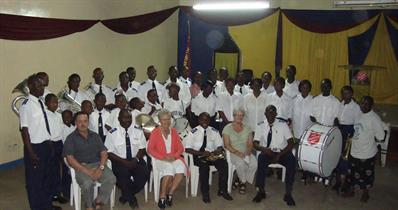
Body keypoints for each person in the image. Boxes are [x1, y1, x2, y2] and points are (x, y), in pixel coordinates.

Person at [19, 74, 62, 210]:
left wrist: (49, 142)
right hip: (35, 148)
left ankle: (47, 205)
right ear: (30, 87)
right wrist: (31, 152)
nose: (42, 88)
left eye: (42, 85)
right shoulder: (26, 106)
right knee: (34, 181)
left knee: (45, 178)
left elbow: (43, 125)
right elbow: (24, 131)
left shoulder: (40, 103)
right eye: (38, 86)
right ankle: (37, 207)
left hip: (45, 145)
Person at [63, 112, 116, 210]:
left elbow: (104, 153)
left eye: (85, 121)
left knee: (111, 179)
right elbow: (70, 159)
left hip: (97, 164)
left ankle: (99, 201)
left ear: (88, 122)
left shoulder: (95, 135)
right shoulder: (70, 138)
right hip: (80, 167)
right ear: (75, 122)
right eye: (80, 121)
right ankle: (89, 206)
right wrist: (87, 171)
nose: (83, 124)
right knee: (87, 183)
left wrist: (100, 168)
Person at [105, 109, 149, 209]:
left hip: (135, 159)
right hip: (119, 161)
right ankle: (132, 199)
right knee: (122, 177)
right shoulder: (112, 133)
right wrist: (123, 162)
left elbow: (142, 148)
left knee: (144, 175)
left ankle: (126, 194)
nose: (128, 120)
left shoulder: (138, 130)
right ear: (119, 119)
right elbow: (108, 152)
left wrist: (136, 159)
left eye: (129, 117)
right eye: (125, 117)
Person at [343, 96, 385, 202]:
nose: (363, 106)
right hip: (354, 150)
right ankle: (351, 191)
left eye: (366, 104)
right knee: (352, 173)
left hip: (367, 153)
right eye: (362, 103)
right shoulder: (359, 114)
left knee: (366, 175)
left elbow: (381, 136)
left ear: (372, 105)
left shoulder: (374, 118)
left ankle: (365, 193)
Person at [252, 105, 296, 206]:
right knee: (261, 159)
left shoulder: (283, 124)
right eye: (268, 112)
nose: (270, 114)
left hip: (282, 152)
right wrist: (264, 150)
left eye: (272, 112)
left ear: (276, 114)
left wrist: (280, 155)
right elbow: (255, 143)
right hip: (268, 152)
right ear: (265, 114)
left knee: (292, 161)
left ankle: (288, 193)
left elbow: (291, 142)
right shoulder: (260, 125)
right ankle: (261, 191)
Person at [185, 112, 233, 203]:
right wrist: (201, 153)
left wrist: (218, 150)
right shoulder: (193, 132)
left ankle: (223, 190)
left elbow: (219, 145)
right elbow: (187, 149)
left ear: (209, 120)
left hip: (212, 155)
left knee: (223, 164)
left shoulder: (214, 131)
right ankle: (205, 193)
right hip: (199, 156)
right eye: (202, 119)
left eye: (207, 119)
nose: (205, 121)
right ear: (199, 120)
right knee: (204, 168)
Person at [147, 110, 186, 209]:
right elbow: (150, 149)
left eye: (168, 119)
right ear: (160, 121)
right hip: (160, 158)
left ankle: (170, 194)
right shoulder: (155, 132)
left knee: (181, 169)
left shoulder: (173, 131)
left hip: (173, 157)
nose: (167, 122)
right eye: (164, 119)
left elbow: (181, 148)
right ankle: (162, 196)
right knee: (168, 170)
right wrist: (163, 157)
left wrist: (175, 156)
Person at [222, 109, 257, 194]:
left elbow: (250, 143)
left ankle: (239, 178)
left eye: (241, 115)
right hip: (232, 152)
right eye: (237, 115)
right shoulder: (227, 128)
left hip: (245, 151)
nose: (239, 117)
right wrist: (238, 153)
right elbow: (227, 145)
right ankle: (243, 182)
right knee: (240, 163)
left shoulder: (248, 128)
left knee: (254, 163)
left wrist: (248, 151)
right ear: (233, 116)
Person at [334, 86, 361, 193]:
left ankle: (345, 183)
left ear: (352, 94)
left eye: (347, 93)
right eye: (343, 93)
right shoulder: (340, 104)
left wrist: (353, 137)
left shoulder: (355, 107)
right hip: (339, 130)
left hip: (349, 133)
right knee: (337, 157)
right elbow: (337, 116)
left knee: (345, 159)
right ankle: (337, 182)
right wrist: (336, 120)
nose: (345, 95)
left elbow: (358, 123)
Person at [45, 94, 69, 204]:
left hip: (59, 143)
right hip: (50, 144)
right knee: (52, 170)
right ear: (46, 104)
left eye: (56, 102)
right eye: (52, 102)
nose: (55, 104)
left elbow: (61, 131)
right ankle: (51, 194)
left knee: (64, 168)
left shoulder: (58, 115)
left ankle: (60, 191)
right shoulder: (45, 116)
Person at [61, 110, 74, 200]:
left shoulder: (74, 128)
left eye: (69, 117)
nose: (67, 119)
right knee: (66, 174)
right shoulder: (61, 128)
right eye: (65, 117)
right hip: (65, 154)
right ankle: (66, 192)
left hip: (75, 153)